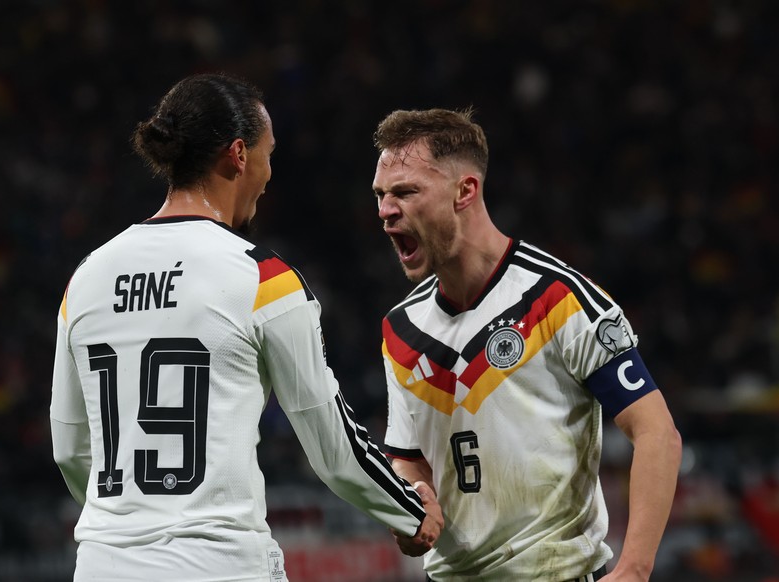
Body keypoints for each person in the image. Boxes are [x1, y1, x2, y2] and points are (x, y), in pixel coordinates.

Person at [49, 73, 442, 582]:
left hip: (104, 565)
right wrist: (410, 510)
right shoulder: (263, 278)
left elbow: (70, 448)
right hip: (219, 564)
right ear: (238, 155)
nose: (269, 174)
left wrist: (130, 523)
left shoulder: (85, 278)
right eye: (268, 154)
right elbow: (332, 444)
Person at [370, 108, 682, 581]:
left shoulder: (558, 299)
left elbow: (657, 433)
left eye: (406, 192)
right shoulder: (401, 328)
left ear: (465, 191)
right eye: (381, 195)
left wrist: (634, 569)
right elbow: (409, 457)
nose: (386, 211)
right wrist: (412, 502)